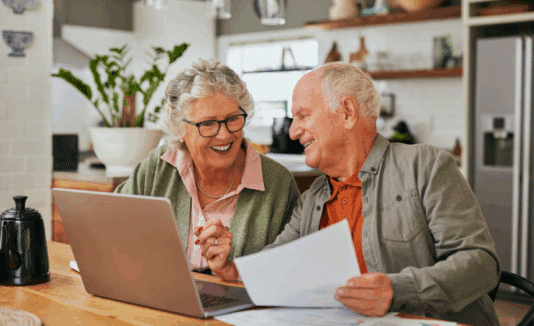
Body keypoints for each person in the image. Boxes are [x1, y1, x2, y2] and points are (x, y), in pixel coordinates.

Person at [264, 62, 501, 325]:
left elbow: (481, 265)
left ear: (347, 112)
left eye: (303, 115)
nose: (293, 131)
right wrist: (231, 267)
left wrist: (396, 290)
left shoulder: (425, 166)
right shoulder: (313, 197)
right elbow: (273, 265)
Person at [115, 58, 300, 281]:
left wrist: (232, 269)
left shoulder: (278, 183)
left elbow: (293, 270)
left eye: (233, 119)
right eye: (208, 124)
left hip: (243, 312)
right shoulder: (158, 167)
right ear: (180, 129)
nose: (224, 135)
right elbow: (111, 228)